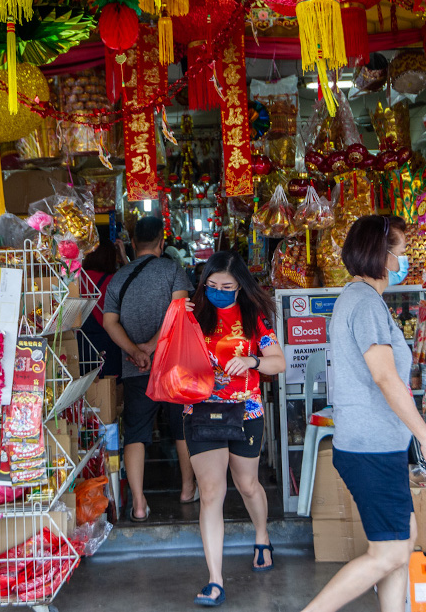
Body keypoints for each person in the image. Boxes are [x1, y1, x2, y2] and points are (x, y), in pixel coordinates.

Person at [301, 215, 426, 612]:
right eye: (400, 253)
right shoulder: (365, 304)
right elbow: (385, 378)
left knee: (403, 540)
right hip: (372, 448)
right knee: (389, 553)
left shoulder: (360, 299)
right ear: (380, 256)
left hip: (375, 444)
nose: (405, 261)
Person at [183, 251, 285, 608]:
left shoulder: (254, 317)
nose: (218, 292)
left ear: (241, 286)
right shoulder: (191, 314)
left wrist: (253, 360)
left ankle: (262, 535)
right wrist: (175, 321)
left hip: (246, 412)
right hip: (200, 410)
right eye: (211, 286)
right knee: (211, 492)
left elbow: (279, 363)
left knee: (247, 484)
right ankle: (215, 580)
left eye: (227, 286)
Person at [102, 217, 197, 521]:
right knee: (180, 430)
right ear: (161, 242)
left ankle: (139, 504)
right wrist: (153, 346)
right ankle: (186, 489)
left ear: (132, 243)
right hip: (174, 368)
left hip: (135, 370)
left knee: (137, 434)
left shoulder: (118, 278)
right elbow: (180, 312)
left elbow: (109, 321)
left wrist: (134, 350)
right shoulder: (173, 270)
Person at [81, 241, 125, 378]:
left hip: (81, 343)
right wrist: (124, 257)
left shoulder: (77, 277)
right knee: (109, 388)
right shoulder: (115, 280)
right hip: (108, 343)